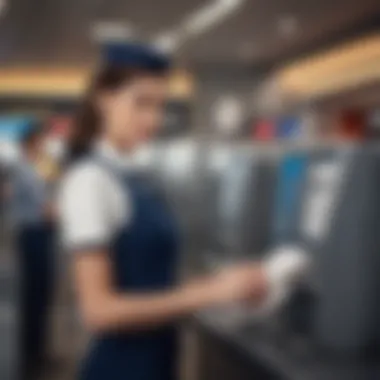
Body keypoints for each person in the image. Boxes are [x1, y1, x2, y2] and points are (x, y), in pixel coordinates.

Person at [58, 43, 276, 380]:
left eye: (160, 106)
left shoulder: (138, 176)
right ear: (104, 98)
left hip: (158, 361)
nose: (154, 119)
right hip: (121, 368)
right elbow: (99, 311)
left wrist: (224, 285)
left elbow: (154, 282)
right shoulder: (90, 182)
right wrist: (209, 293)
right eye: (141, 103)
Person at [11, 124, 56, 380]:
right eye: (42, 142)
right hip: (33, 236)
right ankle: (31, 359)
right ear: (31, 144)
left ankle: (38, 352)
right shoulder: (26, 171)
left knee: (41, 295)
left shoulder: (35, 169)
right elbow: (46, 209)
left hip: (39, 235)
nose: (45, 147)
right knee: (34, 297)